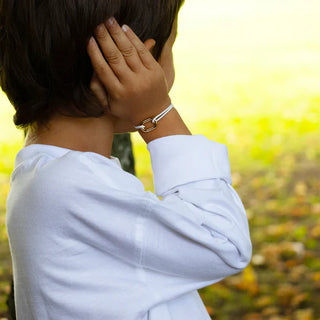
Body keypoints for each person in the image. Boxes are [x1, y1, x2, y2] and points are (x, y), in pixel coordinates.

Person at [1, 0, 252, 319]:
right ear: (125, 65)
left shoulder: (49, 175)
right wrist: (157, 114)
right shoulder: (72, 185)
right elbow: (224, 242)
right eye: (170, 46)